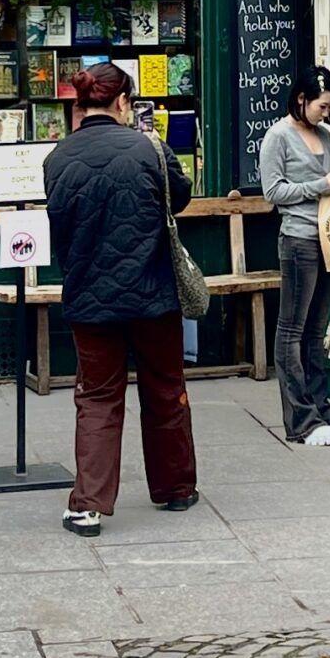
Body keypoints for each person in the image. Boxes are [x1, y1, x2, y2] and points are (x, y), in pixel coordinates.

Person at [43, 60, 197, 538]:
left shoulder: (57, 159)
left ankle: (88, 504)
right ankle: (175, 487)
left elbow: (59, 226)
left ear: (79, 104)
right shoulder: (148, 148)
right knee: (166, 389)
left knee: (97, 398)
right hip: (154, 293)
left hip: (90, 297)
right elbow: (181, 197)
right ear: (123, 102)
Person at [258, 65, 330, 448]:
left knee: (316, 329)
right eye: (322, 106)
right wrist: (322, 185)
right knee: (292, 330)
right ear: (302, 99)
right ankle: (300, 419)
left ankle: (322, 408)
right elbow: (273, 191)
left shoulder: (325, 136)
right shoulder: (277, 137)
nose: (326, 114)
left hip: (329, 236)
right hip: (298, 238)